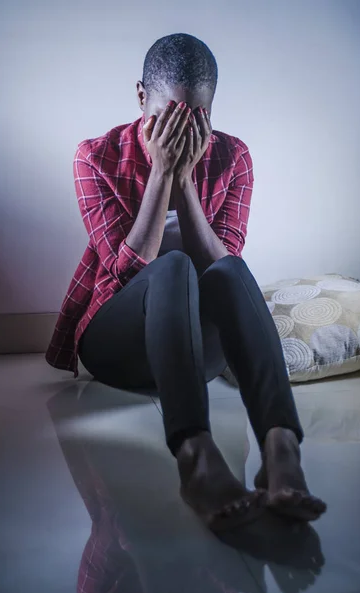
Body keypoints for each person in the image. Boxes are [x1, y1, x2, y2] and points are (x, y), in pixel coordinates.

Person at [46, 33, 326, 531]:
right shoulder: (95, 156)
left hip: (197, 350)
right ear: (140, 98)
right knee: (169, 269)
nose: (181, 133)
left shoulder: (232, 156)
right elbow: (127, 269)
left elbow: (224, 262)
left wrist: (186, 182)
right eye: (166, 118)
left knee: (232, 271)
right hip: (119, 343)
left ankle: (282, 451)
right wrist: (160, 173)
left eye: (196, 121)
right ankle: (196, 457)